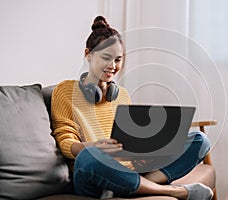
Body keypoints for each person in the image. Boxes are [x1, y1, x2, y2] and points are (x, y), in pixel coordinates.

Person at [51, 15, 213, 200]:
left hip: (126, 170)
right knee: (89, 156)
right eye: (106, 58)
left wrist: (141, 155)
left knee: (200, 141)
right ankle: (171, 191)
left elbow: (128, 140)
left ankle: (131, 185)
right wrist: (91, 146)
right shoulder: (65, 91)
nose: (112, 66)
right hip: (91, 172)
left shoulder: (122, 95)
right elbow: (64, 141)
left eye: (118, 60)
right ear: (88, 54)